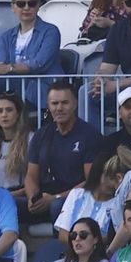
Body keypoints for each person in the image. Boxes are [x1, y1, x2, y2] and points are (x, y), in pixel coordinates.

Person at [27, 80, 104, 223]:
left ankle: (62, 245)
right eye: (54, 104)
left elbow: (91, 181)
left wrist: (56, 198)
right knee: (10, 203)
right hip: (44, 199)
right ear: (48, 106)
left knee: (57, 207)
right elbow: (31, 176)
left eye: (64, 103)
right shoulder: (41, 135)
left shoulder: (89, 135)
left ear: (75, 104)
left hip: (75, 199)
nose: (59, 108)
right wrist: (33, 197)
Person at [0, 93, 30, 202]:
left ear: (18, 113)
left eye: (9, 110)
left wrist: (8, 195)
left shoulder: (30, 140)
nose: (4, 115)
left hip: (19, 196)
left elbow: (34, 181)